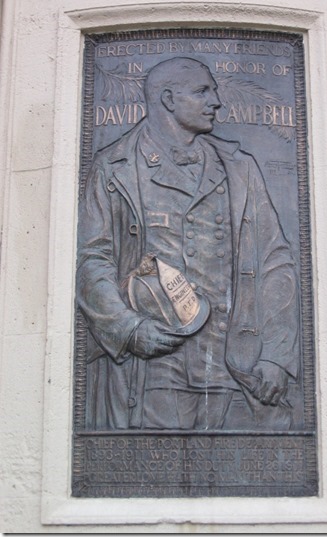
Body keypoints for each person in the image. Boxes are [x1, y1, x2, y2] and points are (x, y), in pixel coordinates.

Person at [77, 57, 300, 431]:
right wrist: (129, 330)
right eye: (202, 91)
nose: (216, 102)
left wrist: (276, 355)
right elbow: (91, 261)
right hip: (152, 369)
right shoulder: (113, 167)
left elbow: (275, 262)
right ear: (168, 99)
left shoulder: (239, 168)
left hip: (232, 368)